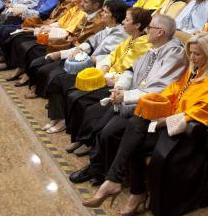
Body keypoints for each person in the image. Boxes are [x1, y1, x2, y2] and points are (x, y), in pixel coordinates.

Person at [82, 33, 208, 216]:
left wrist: (165, 121)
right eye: (190, 53)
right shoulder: (194, 69)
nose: (191, 58)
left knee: (134, 139)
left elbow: (202, 111)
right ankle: (119, 183)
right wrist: (152, 103)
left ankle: (124, 187)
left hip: (186, 130)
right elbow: (174, 91)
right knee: (136, 122)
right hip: (168, 119)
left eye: (197, 54)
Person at [64, 14, 188, 162]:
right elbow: (131, 70)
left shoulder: (174, 53)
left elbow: (160, 88)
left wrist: (126, 96)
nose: (146, 30)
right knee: (94, 113)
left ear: (160, 32)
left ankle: (100, 170)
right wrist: (120, 87)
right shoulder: (153, 48)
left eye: (149, 28)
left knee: (107, 130)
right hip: (129, 94)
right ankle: (89, 149)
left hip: (147, 105)